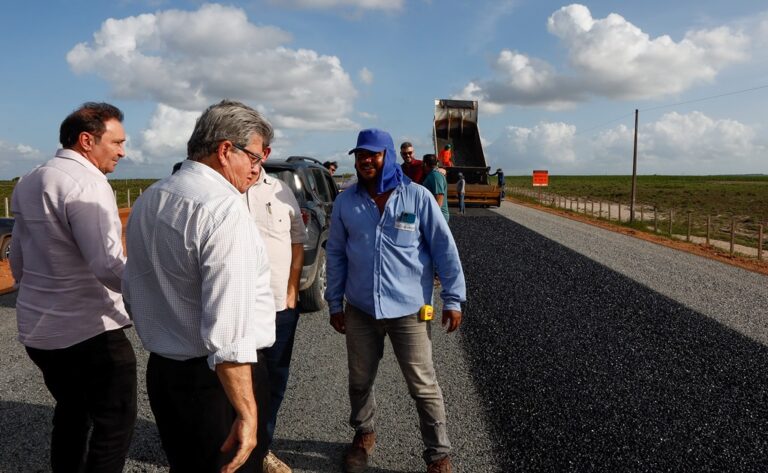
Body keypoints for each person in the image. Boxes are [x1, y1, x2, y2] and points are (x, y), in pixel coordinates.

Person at [123, 100, 276, 473]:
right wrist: (246, 412)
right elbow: (229, 333)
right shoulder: (223, 210)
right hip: (216, 384)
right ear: (226, 150)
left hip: (166, 375)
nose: (257, 171)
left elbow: (132, 286)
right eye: (254, 158)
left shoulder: (150, 199)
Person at [325, 128, 466, 473]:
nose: (365, 160)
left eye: (372, 154)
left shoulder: (416, 197)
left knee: (423, 385)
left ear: (387, 155)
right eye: (360, 155)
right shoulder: (346, 201)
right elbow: (336, 255)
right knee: (359, 380)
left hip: (409, 312)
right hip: (360, 309)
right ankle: (363, 435)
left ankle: (438, 455)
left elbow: (444, 249)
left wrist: (453, 298)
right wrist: (333, 303)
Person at [10, 102, 137, 473]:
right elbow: (108, 264)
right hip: (89, 332)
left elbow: (18, 258)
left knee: (71, 412)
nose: (122, 151)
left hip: (39, 330)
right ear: (86, 140)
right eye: (116, 142)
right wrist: (152, 298)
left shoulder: (30, 178)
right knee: (115, 422)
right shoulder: (87, 184)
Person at [245, 148, 307, 473]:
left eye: (258, 154)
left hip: (281, 310)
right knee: (237, 383)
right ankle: (237, 450)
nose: (253, 163)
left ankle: (261, 450)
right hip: (240, 312)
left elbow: (298, 239)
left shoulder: (281, 190)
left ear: (265, 154)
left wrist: (293, 287)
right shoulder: (227, 190)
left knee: (275, 383)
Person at [422, 154, 450, 223]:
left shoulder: (435, 175)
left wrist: (433, 216)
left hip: (439, 216)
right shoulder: (433, 174)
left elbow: (439, 196)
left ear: (425, 164)